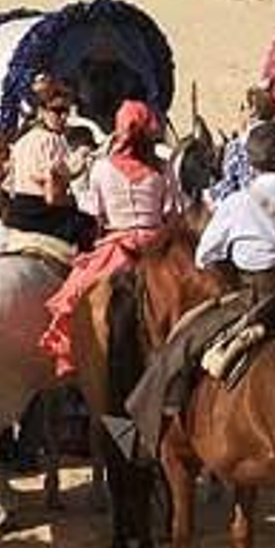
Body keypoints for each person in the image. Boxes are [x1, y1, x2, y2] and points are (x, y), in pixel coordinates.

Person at [124, 121, 275, 457]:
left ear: (250, 162)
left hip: (258, 302)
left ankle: (140, 437)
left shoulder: (238, 203)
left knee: (178, 348)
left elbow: (205, 255)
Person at [39, 101, 184, 378]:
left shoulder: (103, 169)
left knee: (72, 298)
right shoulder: (163, 169)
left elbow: (94, 211)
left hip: (116, 248)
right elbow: (172, 211)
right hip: (157, 246)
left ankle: (73, 369)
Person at [2, 76, 95, 250]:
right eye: (57, 110)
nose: (64, 116)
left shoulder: (21, 141)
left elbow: (9, 186)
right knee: (89, 226)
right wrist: (72, 200)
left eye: (67, 110)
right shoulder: (52, 140)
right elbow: (53, 196)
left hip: (17, 214)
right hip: (42, 215)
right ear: (42, 111)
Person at [210, 86, 275, 202]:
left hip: (249, 207)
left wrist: (209, 194)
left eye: (243, 108)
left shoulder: (237, 146)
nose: (240, 112)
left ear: (252, 111)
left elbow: (228, 187)